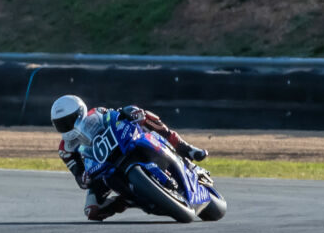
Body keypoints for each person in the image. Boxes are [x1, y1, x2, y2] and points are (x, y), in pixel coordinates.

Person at [50, 95, 207, 221]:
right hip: (102, 169)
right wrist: (84, 178)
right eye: (61, 124)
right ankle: (126, 200)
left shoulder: (96, 113)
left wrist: (128, 113)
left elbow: (116, 115)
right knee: (92, 211)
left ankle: (186, 148)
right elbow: (78, 176)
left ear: (80, 112)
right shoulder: (66, 149)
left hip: (124, 144)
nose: (66, 127)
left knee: (140, 113)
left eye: (68, 121)